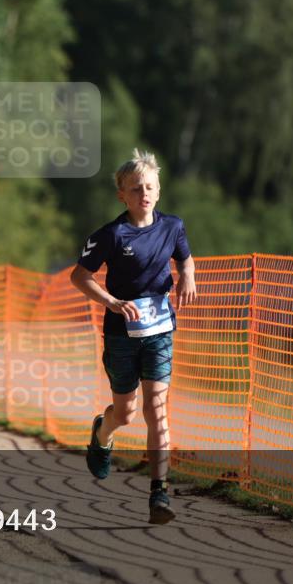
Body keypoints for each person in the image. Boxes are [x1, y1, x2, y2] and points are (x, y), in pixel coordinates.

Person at [69, 149, 197, 525]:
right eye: (136, 188)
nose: (145, 193)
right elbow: (79, 276)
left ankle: (160, 492)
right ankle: (102, 431)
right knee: (124, 414)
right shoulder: (111, 235)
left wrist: (187, 276)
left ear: (159, 191)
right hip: (121, 334)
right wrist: (111, 302)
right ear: (122, 195)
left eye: (150, 187)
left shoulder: (172, 226)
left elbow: (184, 257)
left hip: (159, 331)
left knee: (156, 410)